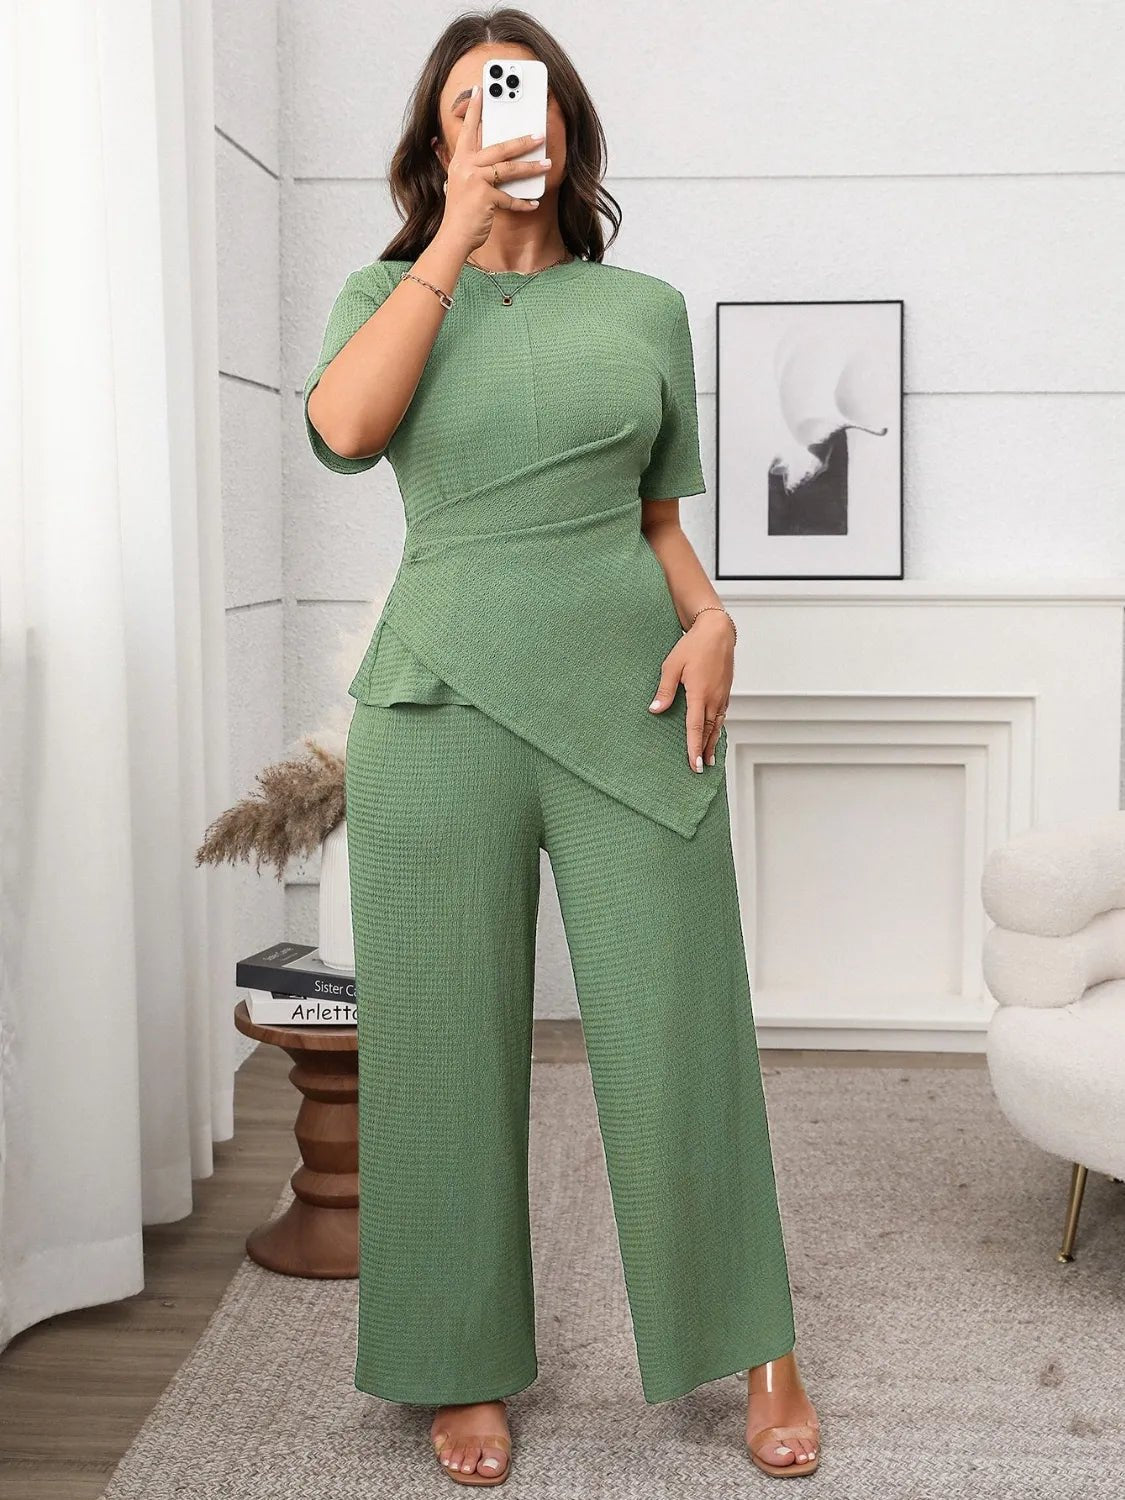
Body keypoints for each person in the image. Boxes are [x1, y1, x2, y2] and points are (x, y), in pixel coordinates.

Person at [303, 11, 820, 1486]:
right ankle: (458, 1361)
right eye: (469, 105)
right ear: (439, 139)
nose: (500, 122)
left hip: (631, 699)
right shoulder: (386, 290)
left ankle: (760, 1344)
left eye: (520, 97)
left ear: (569, 126)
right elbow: (345, 429)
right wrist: (451, 239)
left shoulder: (643, 310)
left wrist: (711, 617)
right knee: (443, 1045)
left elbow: (658, 519)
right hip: (435, 704)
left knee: (680, 1025)